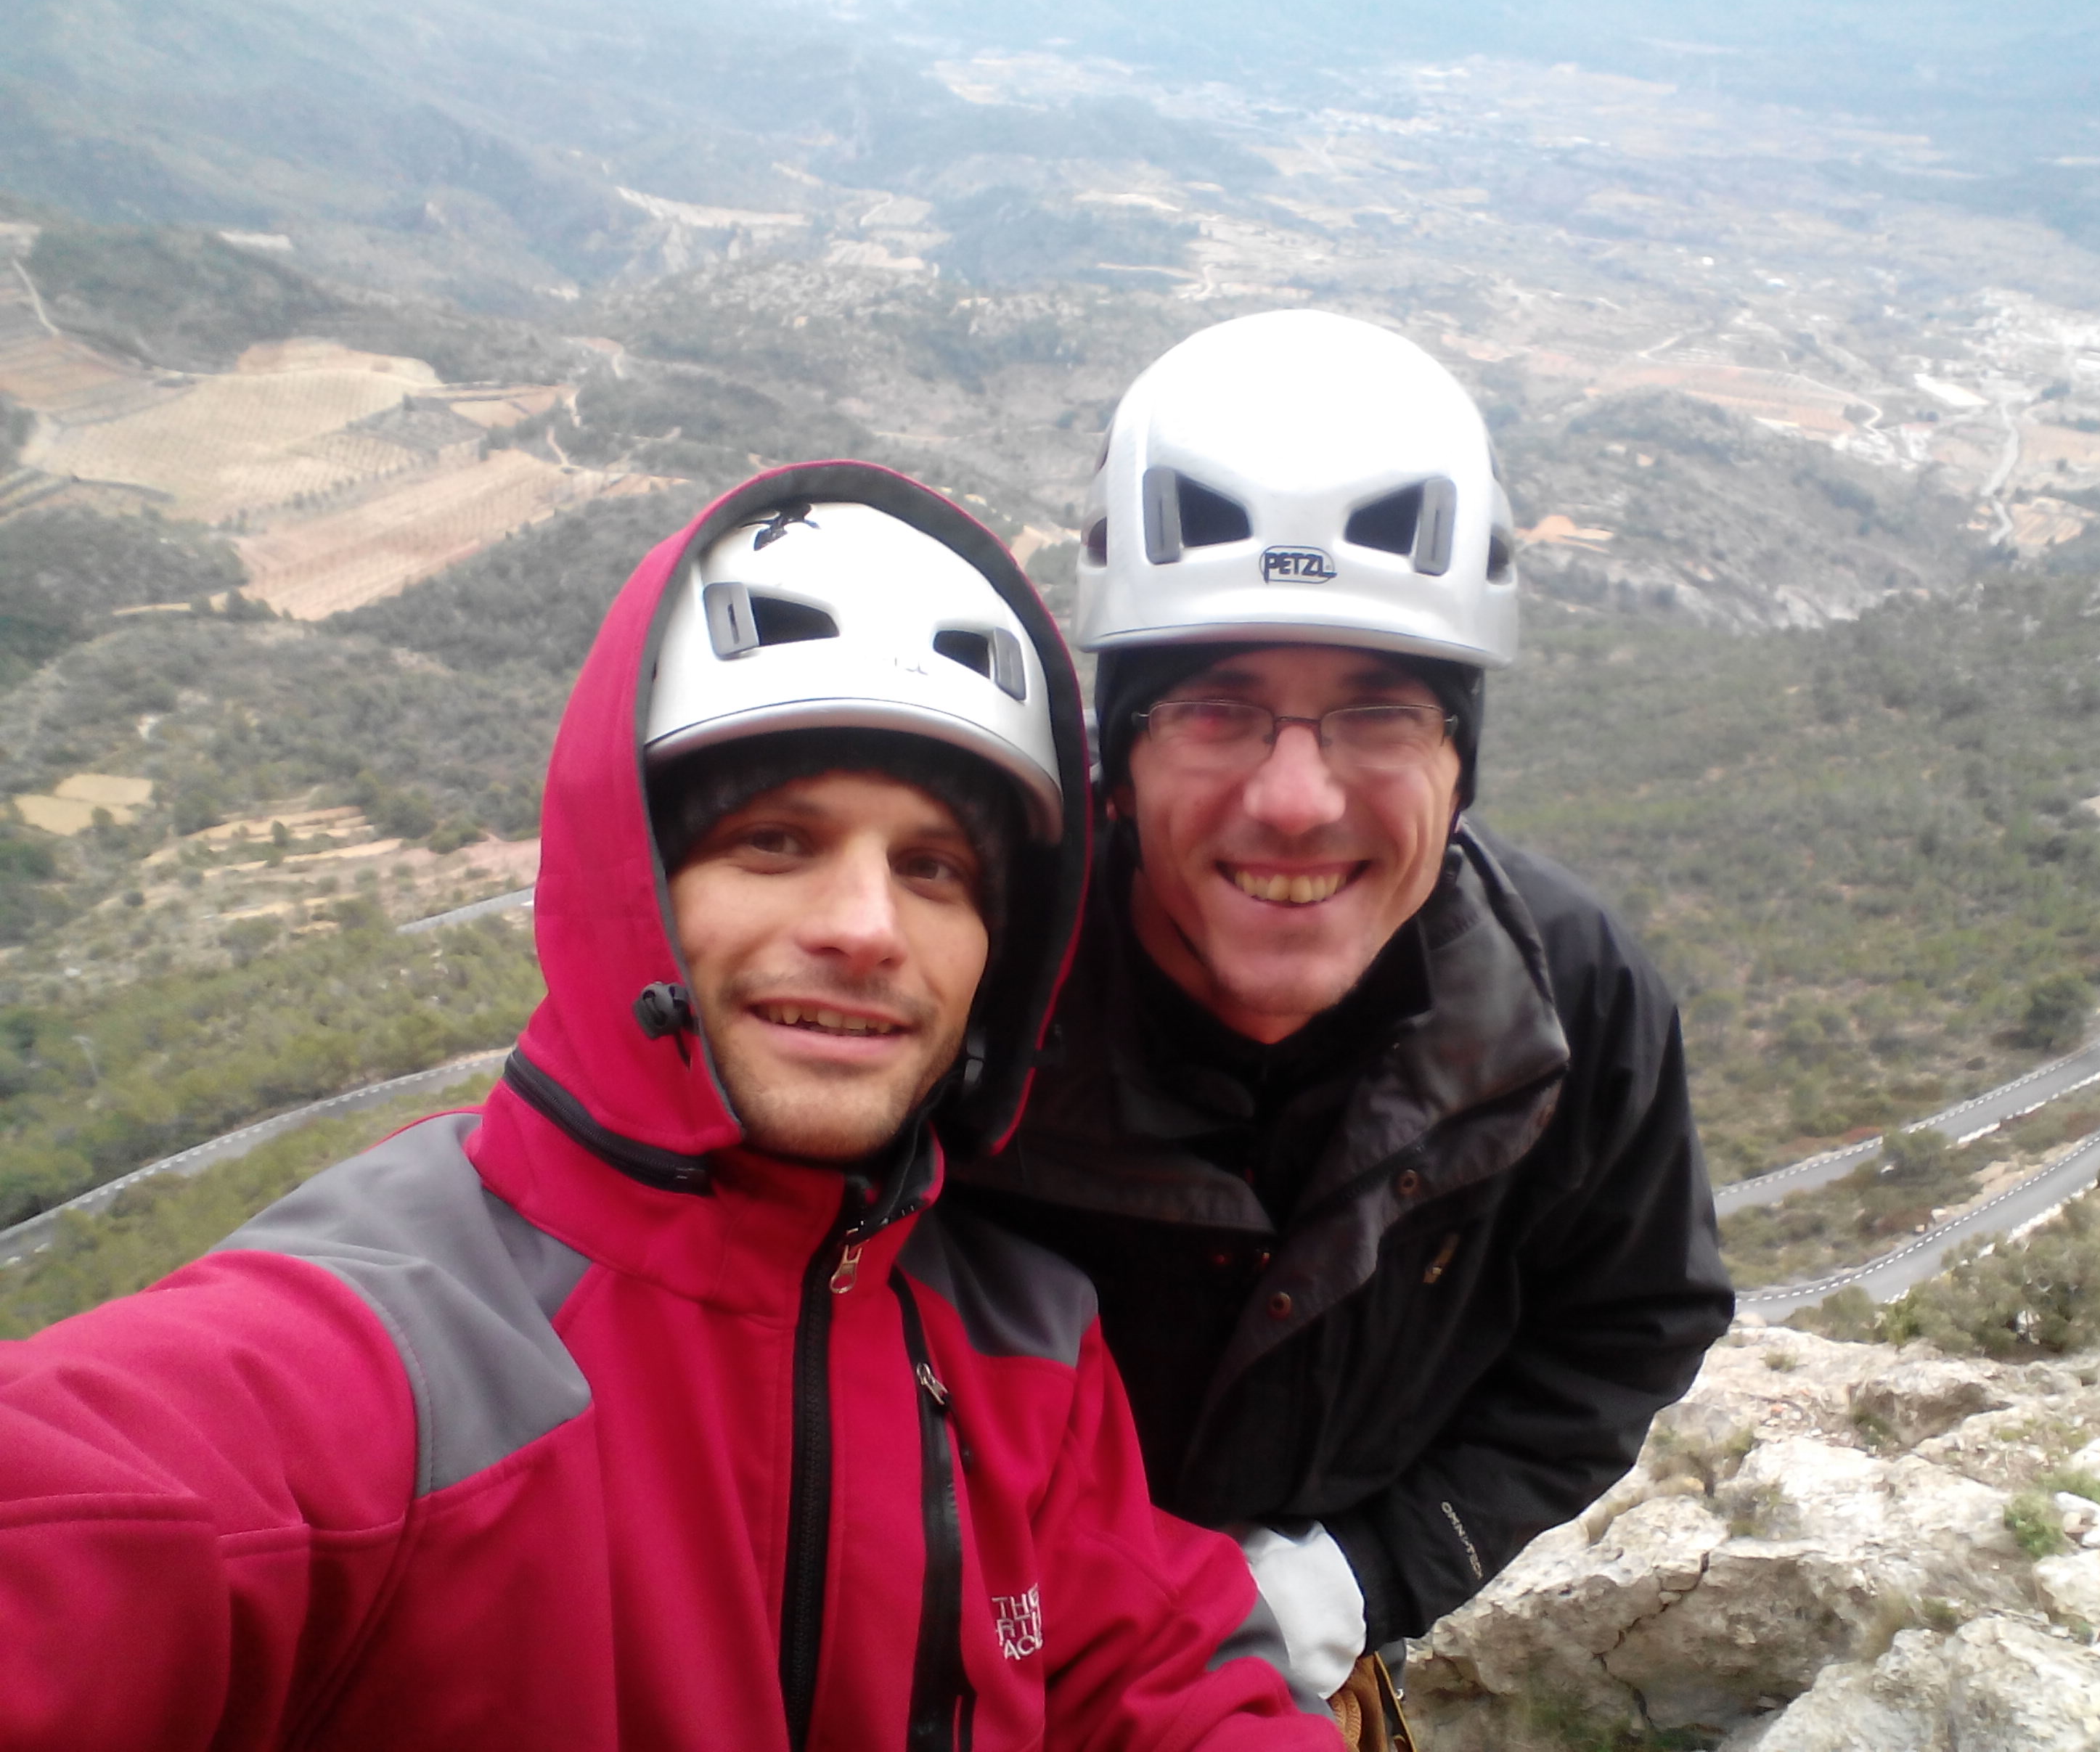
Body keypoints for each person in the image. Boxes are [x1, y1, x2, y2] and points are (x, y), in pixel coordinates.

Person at [0, 462, 1340, 1751]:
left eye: (934, 868)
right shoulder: (393, 1359)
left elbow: (1164, 1679)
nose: (867, 927)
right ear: (635, 883)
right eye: (774, 841)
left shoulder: (1025, 1348)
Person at [952, 312, 1736, 1729]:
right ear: (1117, 757)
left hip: (1286, 1679)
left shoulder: (1566, 1004)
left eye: (1380, 714)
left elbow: (1627, 1324)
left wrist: (1364, 1573)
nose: (1297, 800)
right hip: (945, 1660)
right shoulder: (974, 980)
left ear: (1459, 762)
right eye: (1215, 708)